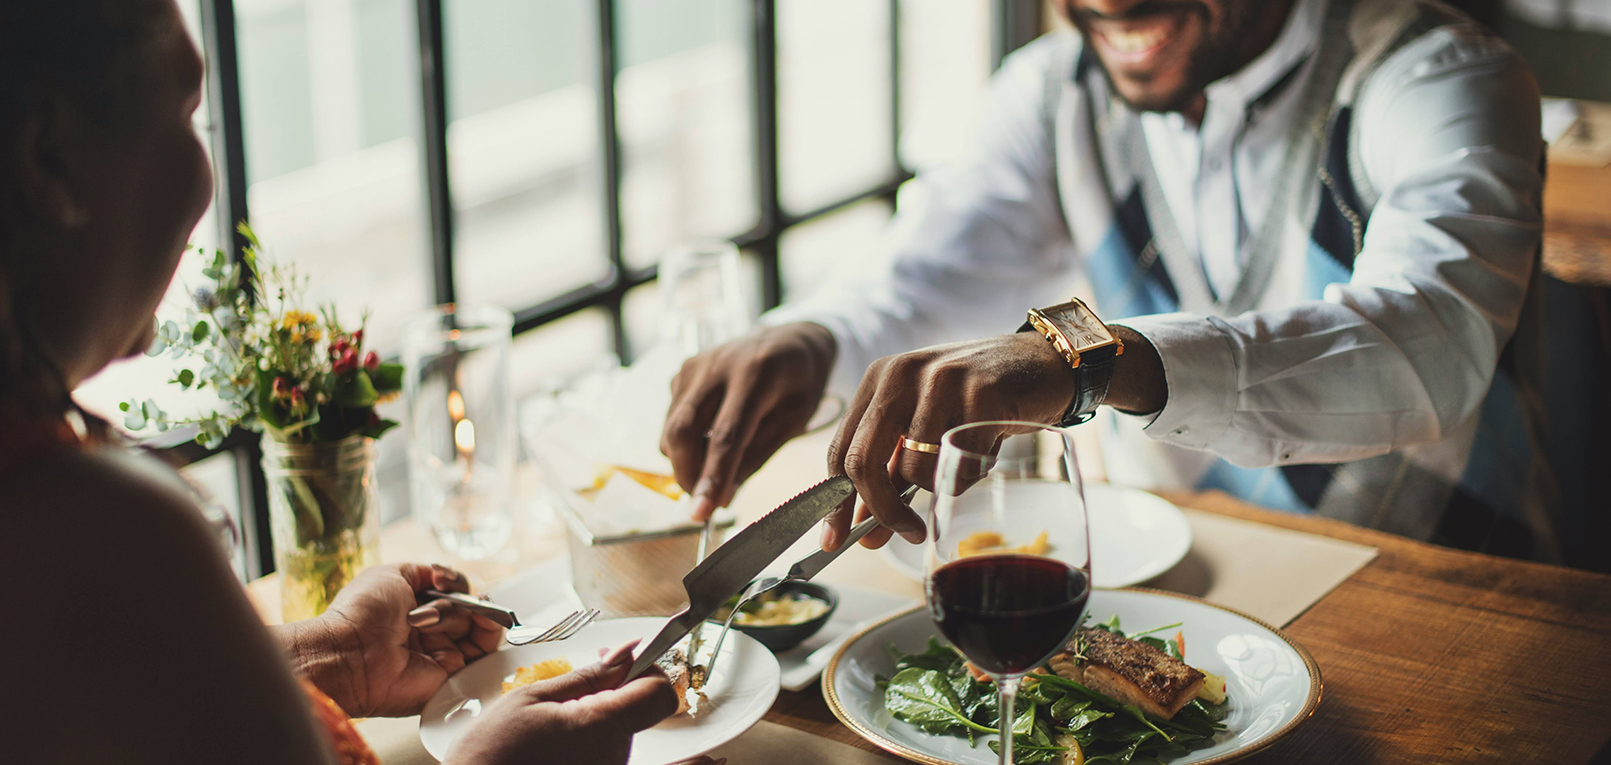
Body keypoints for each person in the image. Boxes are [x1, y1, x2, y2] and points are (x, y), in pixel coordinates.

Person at [0, 1, 681, 763]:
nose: (207, 184)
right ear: (48, 159)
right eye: (189, 115)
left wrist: (331, 656)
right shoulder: (91, 531)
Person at [663, 0, 1563, 561]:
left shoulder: (1439, 78)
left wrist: (1090, 362)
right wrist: (811, 337)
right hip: (1180, 579)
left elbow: (1422, 346)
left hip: (1450, 577)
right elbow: (925, 275)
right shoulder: (1051, 91)